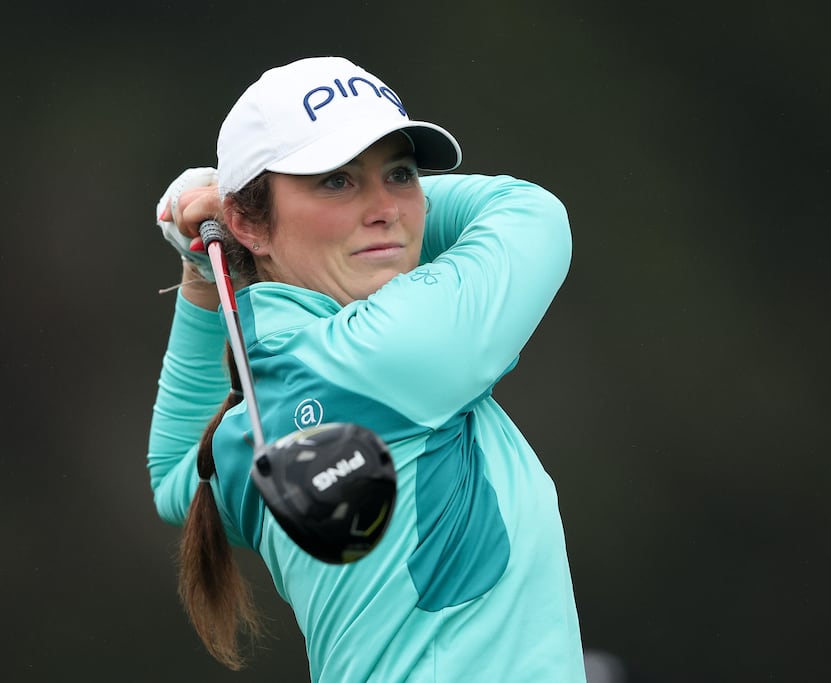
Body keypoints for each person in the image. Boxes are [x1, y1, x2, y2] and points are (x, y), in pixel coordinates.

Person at [146, 56, 586, 682]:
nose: (388, 208)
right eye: (336, 181)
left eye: (400, 175)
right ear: (249, 222)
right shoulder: (395, 349)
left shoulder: (250, 423)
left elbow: (173, 480)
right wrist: (224, 206)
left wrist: (207, 267)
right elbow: (528, 211)